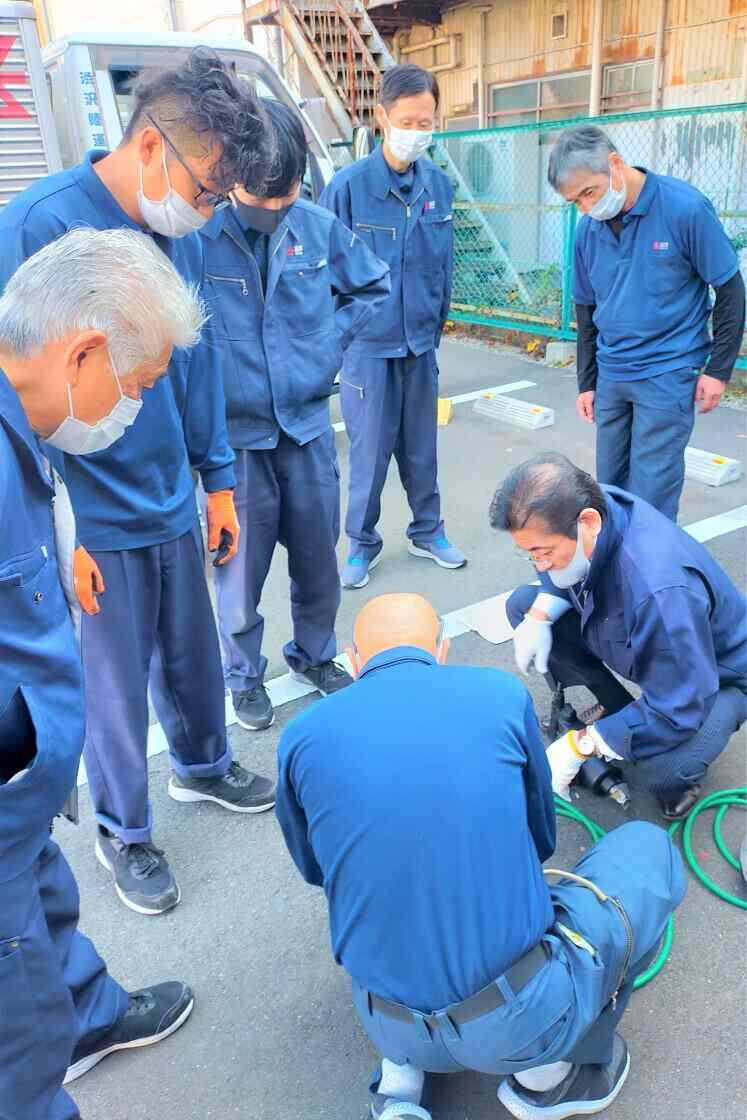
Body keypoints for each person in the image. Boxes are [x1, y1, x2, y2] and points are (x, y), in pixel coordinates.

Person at [0, 50, 277, 918]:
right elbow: (16, 386)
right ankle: (123, 829)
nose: (208, 209)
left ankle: (202, 764)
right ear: (153, 148)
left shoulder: (176, 231)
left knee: (191, 650)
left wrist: (218, 478)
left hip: (166, 494)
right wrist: (59, 533)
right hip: (91, 515)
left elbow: (196, 367)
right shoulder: (40, 225)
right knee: (110, 688)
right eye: (206, 188)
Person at [275, 593, 686, 1120]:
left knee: (383, 895)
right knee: (647, 848)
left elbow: (316, 870)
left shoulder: (302, 737)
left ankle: (400, 1088)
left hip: (384, 1015)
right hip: (516, 1021)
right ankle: (547, 1081)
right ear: (442, 651)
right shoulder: (498, 695)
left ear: (355, 663)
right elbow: (541, 839)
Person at [0, 228, 206, 1120]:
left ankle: (90, 1012)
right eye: (138, 384)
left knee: (45, 899)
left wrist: (60, 546)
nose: (134, 406)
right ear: (83, 352)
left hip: (25, 785)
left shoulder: (23, 429)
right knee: (17, 1042)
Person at [200, 99, 390, 729]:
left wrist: (329, 341)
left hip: (306, 429)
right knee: (238, 575)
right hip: (236, 443)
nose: (275, 211)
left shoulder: (315, 225)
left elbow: (372, 286)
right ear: (232, 175)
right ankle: (242, 675)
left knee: (317, 560)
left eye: (285, 196)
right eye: (262, 197)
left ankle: (314, 655)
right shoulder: (197, 239)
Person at [494, 454, 747, 820]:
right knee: (523, 604)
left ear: (587, 523)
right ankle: (620, 710)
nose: (541, 564)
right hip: (652, 643)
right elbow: (559, 572)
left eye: (545, 552)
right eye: (530, 554)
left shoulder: (659, 592)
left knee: (664, 771)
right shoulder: (594, 506)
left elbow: (681, 706)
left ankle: (671, 760)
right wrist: (538, 615)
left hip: (717, 676)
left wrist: (583, 744)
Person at [548, 125, 745, 522]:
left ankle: (655, 575)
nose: (585, 207)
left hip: (668, 370)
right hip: (613, 372)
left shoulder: (684, 209)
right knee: (611, 487)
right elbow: (586, 312)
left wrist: (718, 370)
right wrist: (587, 382)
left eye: (589, 193)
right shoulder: (588, 229)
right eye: (575, 201)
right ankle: (620, 567)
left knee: (653, 490)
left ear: (616, 165)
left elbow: (730, 290)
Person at [320, 64, 466, 589]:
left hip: (420, 344)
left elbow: (444, 266)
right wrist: (338, 342)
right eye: (407, 120)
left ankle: (428, 532)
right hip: (368, 348)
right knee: (369, 452)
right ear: (382, 117)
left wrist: (434, 327)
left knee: (421, 446)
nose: (417, 131)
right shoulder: (348, 189)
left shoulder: (439, 186)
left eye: (425, 121)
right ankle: (361, 543)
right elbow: (324, 273)